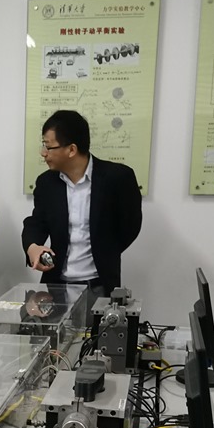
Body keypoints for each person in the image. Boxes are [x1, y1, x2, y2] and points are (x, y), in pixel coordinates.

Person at [22, 110, 142, 300]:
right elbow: (37, 223)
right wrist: (32, 247)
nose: (43, 153)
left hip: (99, 284)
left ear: (71, 150)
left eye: (49, 146)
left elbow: (130, 226)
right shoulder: (47, 182)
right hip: (56, 284)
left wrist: (106, 251)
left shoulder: (118, 178)